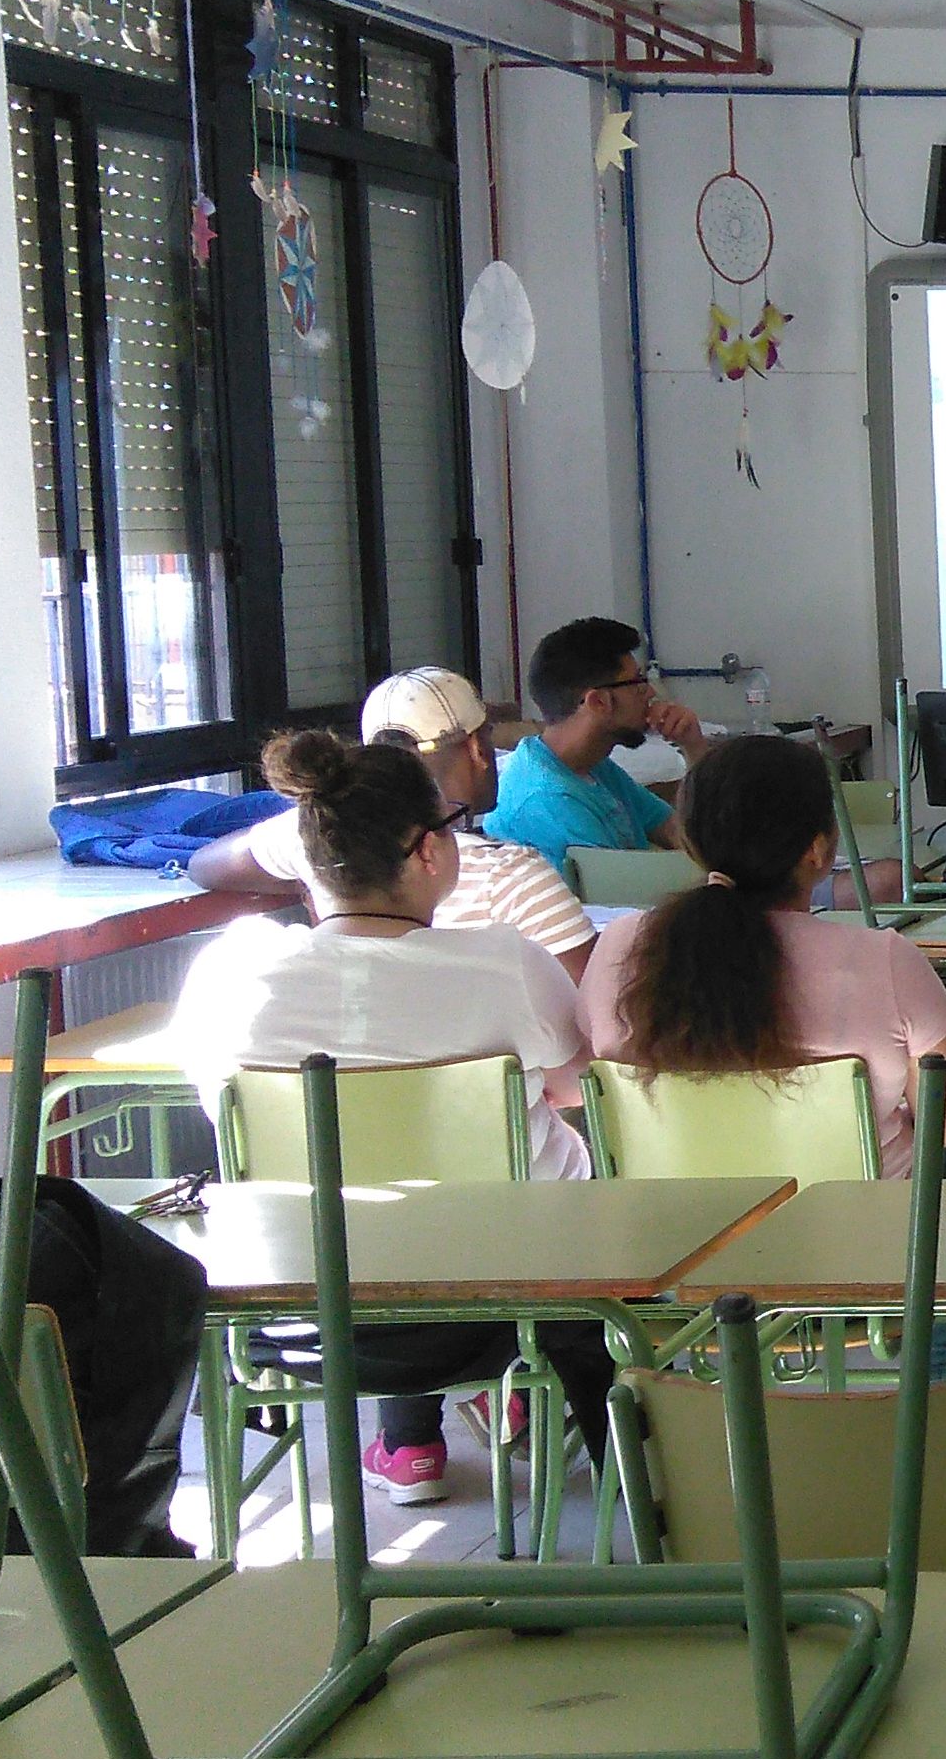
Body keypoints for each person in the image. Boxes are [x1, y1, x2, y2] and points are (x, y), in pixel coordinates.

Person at [164, 730, 606, 1507]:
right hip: (506, 1311)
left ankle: (408, 1445)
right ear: (430, 851)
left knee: (384, 1208)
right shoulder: (505, 965)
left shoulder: (230, 971)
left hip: (294, 1317)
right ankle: (638, 1491)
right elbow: (579, 1088)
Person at [582, 734, 946, 1177]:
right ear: (819, 849)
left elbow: (587, 1097)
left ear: (690, 841)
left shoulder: (619, 947)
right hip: (860, 1237)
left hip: (673, 1238)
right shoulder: (887, 961)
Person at [188, 665, 594, 975]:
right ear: (477, 749)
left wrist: (319, 870)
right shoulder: (513, 877)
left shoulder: (320, 832)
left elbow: (205, 865)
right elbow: (588, 1020)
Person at [485, 616, 705, 866]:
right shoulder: (549, 801)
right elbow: (620, 895)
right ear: (598, 702)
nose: (651, 693)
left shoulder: (591, 765)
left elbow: (679, 834)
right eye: (638, 683)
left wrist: (693, 747)